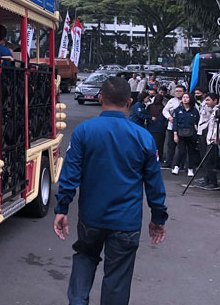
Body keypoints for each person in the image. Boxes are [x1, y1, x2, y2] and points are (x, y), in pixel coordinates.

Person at [54, 76, 167, 305]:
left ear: (100, 98)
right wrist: (158, 217)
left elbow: (70, 175)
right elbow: (154, 183)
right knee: (117, 278)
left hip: (91, 218)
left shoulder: (84, 132)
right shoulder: (143, 137)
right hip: (126, 222)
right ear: (129, 102)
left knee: (85, 258)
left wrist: (62, 208)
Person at [171, 92, 200, 176]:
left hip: (192, 134)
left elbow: (197, 122)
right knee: (180, 151)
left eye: (187, 97)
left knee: (191, 152)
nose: (185, 99)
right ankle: (176, 166)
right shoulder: (177, 110)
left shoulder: (194, 111)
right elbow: (175, 123)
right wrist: (175, 134)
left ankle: (190, 169)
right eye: (183, 97)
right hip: (181, 133)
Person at [196, 93, 219, 190]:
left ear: (216, 100)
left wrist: (217, 137)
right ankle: (208, 179)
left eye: (208, 100)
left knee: (208, 161)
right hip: (209, 138)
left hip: (214, 139)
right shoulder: (212, 110)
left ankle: (213, 183)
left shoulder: (218, 111)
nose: (206, 102)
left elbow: (217, 127)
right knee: (206, 160)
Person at [162, 84, 185, 168]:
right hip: (171, 126)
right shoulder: (172, 100)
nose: (178, 93)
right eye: (176, 91)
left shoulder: (187, 100)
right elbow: (165, 110)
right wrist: (169, 117)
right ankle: (168, 162)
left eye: (180, 91)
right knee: (170, 145)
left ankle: (180, 164)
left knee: (181, 146)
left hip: (182, 128)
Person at [146, 94, 167, 164]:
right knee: (159, 144)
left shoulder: (150, 107)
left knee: (150, 143)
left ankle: (149, 156)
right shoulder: (162, 107)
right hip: (160, 128)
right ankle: (159, 157)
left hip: (150, 127)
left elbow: (147, 115)